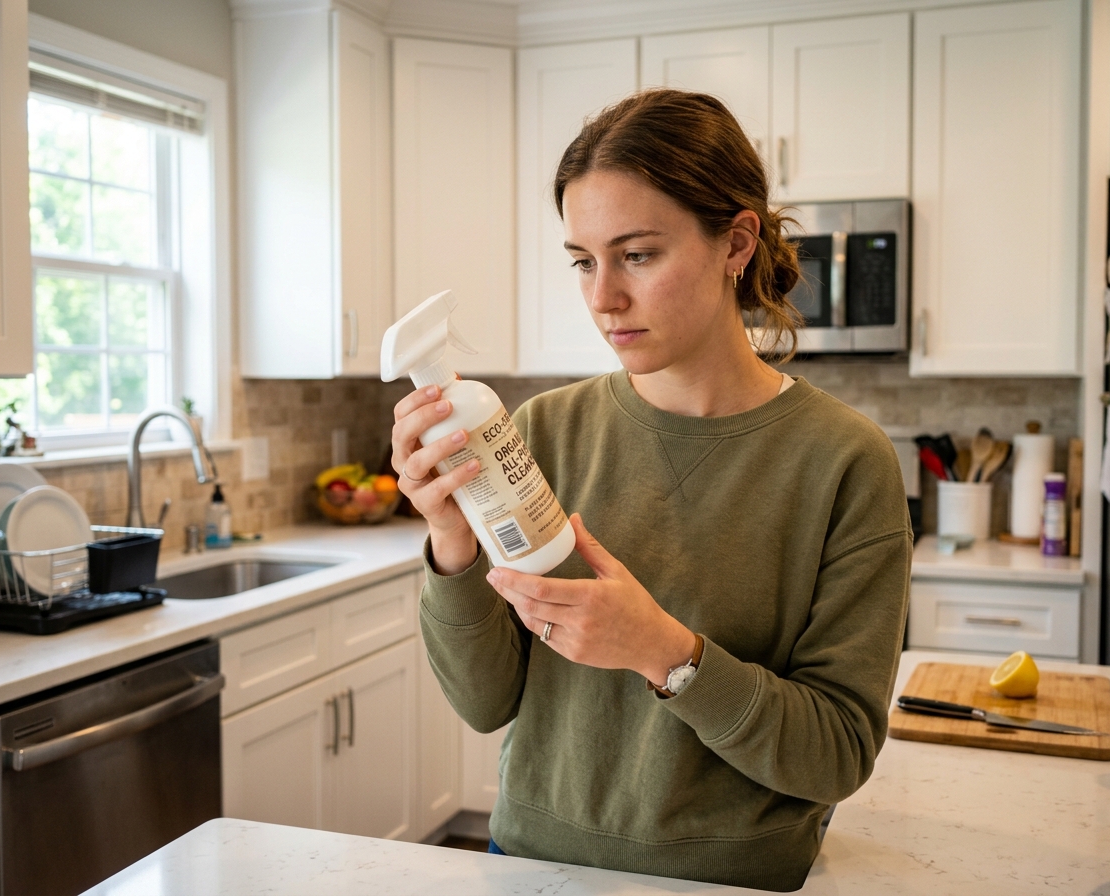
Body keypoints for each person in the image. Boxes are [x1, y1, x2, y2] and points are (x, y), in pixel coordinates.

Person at [389, 88, 912, 892]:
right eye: (582, 261)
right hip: (530, 863)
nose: (603, 297)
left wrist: (667, 654)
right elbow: (486, 701)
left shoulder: (845, 461)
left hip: (733, 880)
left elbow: (836, 753)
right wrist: (453, 545)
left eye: (637, 254)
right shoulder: (537, 433)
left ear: (735, 242)